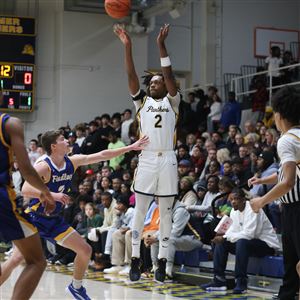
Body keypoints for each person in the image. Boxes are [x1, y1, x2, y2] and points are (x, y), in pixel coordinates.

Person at [2, 130, 148, 300]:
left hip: (53, 220)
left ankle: (76, 287)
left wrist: (131, 147)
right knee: (16, 259)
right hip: (34, 218)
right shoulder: (44, 166)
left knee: (85, 250)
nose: (67, 141)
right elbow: (26, 188)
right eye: (62, 139)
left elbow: (102, 155)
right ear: (54, 146)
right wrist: (52, 195)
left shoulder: (72, 161)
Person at [114, 23, 180, 282]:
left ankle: (161, 261)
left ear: (166, 85)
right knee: (140, 211)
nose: (154, 84)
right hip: (148, 158)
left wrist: (161, 46)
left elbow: (169, 74)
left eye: (158, 81)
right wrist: (128, 46)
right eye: (151, 82)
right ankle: (134, 259)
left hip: (168, 158)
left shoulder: (173, 101)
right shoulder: (141, 103)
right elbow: (130, 75)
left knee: (165, 213)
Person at [0, 102, 55, 299]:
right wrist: (45, 191)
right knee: (36, 261)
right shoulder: (9, 123)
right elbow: (25, 168)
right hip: (2, 198)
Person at [250, 86, 300, 300]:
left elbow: (288, 182)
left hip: (296, 208)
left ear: (279, 116)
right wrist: (263, 179)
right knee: (291, 261)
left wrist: (261, 200)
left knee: (294, 262)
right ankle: (287, 295)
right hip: (291, 209)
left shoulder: (286, 140)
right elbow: (287, 172)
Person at [201, 188, 279, 294]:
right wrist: (223, 238)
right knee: (222, 242)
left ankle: (241, 281)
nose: (233, 202)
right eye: (231, 199)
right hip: (248, 243)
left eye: (236, 199)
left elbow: (249, 234)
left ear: (243, 199)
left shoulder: (253, 208)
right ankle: (219, 279)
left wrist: (225, 237)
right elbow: (233, 231)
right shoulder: (234, 211)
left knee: (241, 241)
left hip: (266, 245)